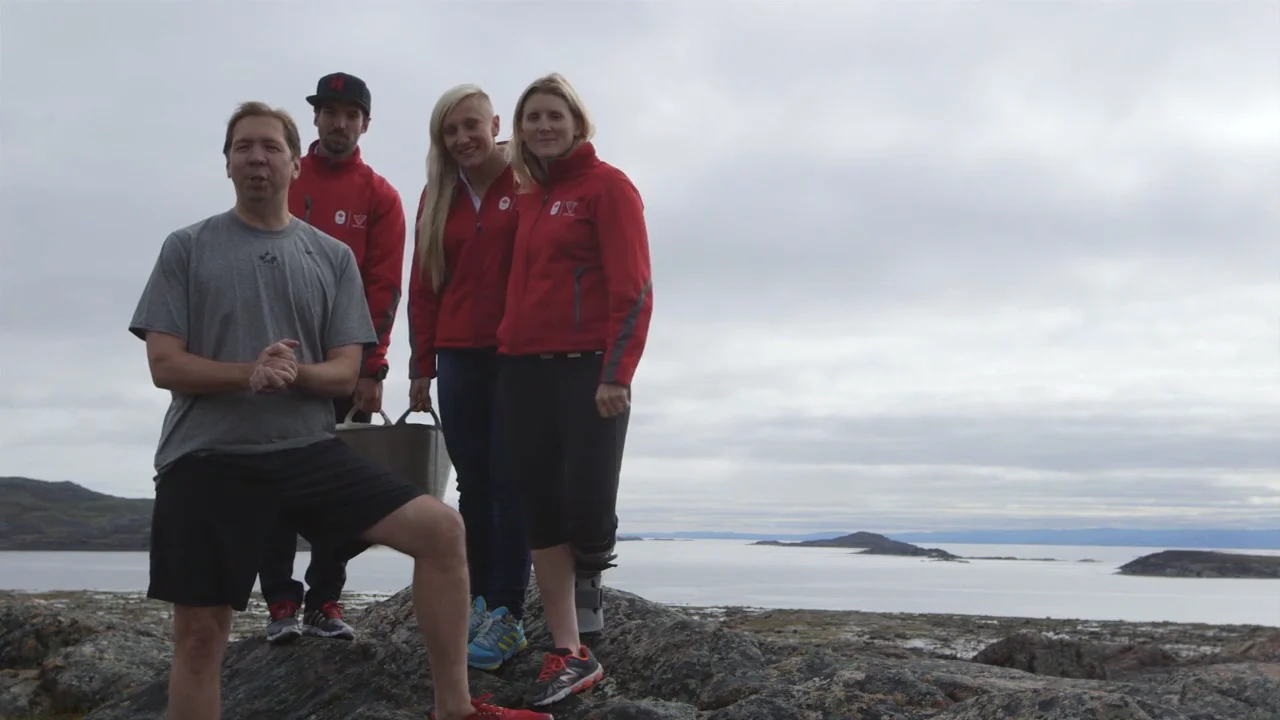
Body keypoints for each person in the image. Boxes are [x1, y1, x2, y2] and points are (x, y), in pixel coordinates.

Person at [127, 100, 550, 720]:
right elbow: (165, 365)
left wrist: (290, 374)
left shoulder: (330, 257)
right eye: (243, 147)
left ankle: (454, 709)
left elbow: (345, 372)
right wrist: (250, 373)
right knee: (199, 635)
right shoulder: (188, 248)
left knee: (441, 531)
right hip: (208, 457)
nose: (257, 158)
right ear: (226, 164)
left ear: (296, 164)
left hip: (307, 452)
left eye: (271, 147)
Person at [497, 73, 653, 708]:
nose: (542, 126)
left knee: (589, 507)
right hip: (522, 369)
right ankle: (570, 650)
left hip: (589, 369)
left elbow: (634, 286)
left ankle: (590, 570)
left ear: (577, 122)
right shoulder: (529, 194)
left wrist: (618, 371)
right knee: (539, 507)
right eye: (531, 117)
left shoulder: (608, 187)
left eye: (553, 115)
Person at [256, 71, 407, 645]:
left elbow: (384, 287)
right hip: (275, 360)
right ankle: (278, 602)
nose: (339, 122)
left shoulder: (382, 197)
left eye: (351, 114)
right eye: (330, 112)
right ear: (315, 119)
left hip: (345, 367)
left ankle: (324, 600)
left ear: (365, 123)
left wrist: (374, 368)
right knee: (269, 480)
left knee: (338, 490)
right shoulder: (285, 178)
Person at [406, 84, 532, 671]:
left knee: (513, 479)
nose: (461, 139)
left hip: (517, 353)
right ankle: (480, 598)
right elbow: (424, 287)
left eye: (469, 126)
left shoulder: (529, 180)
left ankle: (509, 611)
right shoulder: (437, 194)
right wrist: (419, 369)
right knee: (474, 485)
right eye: (449, 132)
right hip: (457, 355)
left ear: (495, 123)